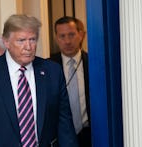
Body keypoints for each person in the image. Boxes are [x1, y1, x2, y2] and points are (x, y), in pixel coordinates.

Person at [0, 14, 78, 147]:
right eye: (21, 40)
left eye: (32, 39)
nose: (28, 46)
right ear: (6, 42)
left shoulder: (52, 72)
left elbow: (65, 125)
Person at [49, 16, 91, 147]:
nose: (67, 41)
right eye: (62, 36)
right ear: (56, 38)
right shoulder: (47, 67)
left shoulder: (94, 64)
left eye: (71, 35)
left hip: (90, 135)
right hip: (59, 136)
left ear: (81, 35)